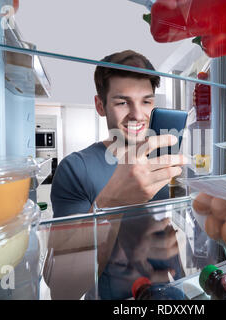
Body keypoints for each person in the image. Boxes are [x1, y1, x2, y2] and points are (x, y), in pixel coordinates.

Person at [49, 50, 187, 299]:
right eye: (122, 102)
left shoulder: (159, 159)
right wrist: (112, 201)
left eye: (146, 101)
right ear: (100, 105)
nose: (137, 114)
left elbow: (165, 239)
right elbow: (63, 286)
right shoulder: (75, 168)